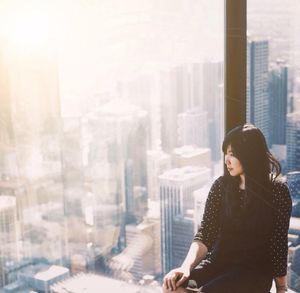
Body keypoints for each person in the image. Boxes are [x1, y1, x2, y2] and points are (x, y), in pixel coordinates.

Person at [162, 124, 292, 293]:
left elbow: (278, 244)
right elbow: (205, 233)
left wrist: (281, 288)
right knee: (172, 287)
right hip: (218, 263)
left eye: (232, 154)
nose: (226, 160)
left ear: (249, 155)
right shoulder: (221, 186)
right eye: (226, 154)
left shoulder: (278, 192)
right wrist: (185, 267)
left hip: (253, 272)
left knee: (208, 291)